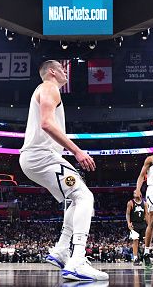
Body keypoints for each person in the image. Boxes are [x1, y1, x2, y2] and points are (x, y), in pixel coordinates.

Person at [20, 60, 107, 281]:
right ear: (52, 72)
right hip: (42, 157)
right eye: (61, 68)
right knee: (85, 197)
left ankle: (61, 250)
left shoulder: (45, 90)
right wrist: (77, 151)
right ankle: (77, 259)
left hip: (41, 158)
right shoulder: (49, 87)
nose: (65, 71)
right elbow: (47, 124)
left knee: (75, 199)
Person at [126, 191, 148, 265]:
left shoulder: (144, 203)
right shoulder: (130, 203)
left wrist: (149, 225)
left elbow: (146, 214)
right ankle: (135, 258)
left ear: (140, 194)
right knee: (135, 241)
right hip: (134, 224)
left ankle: (146, 256)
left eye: (137, 193)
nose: (135, 194)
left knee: (146, 240)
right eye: (134, 193)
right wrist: (128, 223)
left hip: (142, 223)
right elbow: (128, 214)